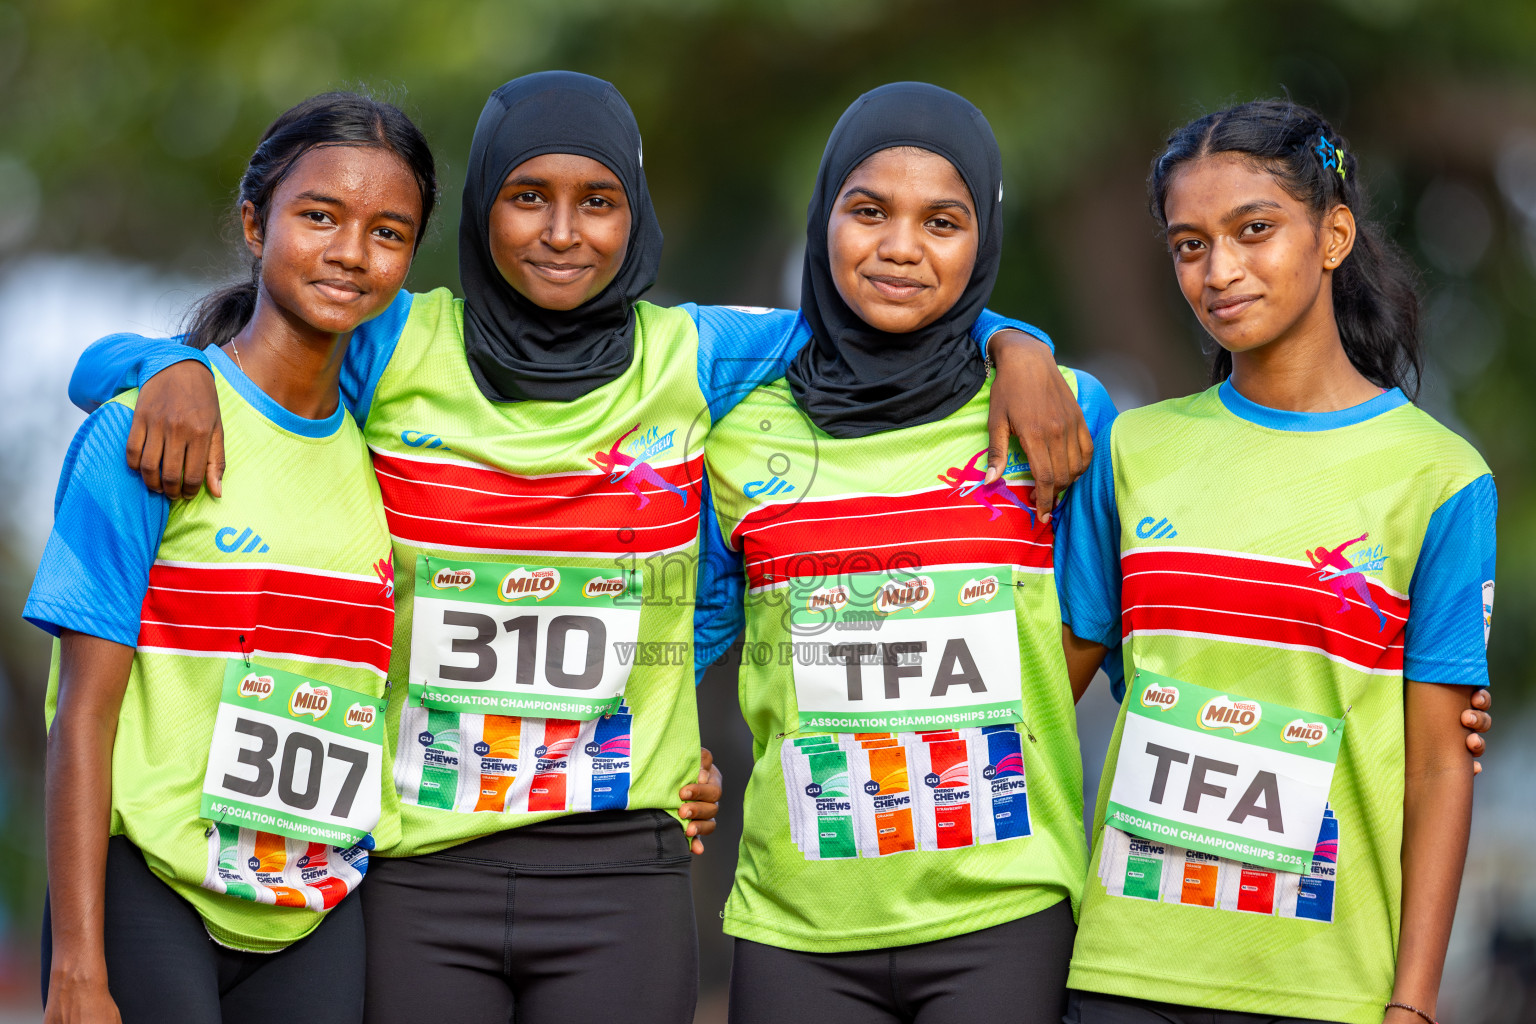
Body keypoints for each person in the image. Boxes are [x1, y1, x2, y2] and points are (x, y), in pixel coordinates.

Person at [65, 71, 1091, 1024]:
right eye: (526, 197)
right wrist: (164, 363)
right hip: (421, 872)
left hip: (622, 878)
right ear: (477, 212)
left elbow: (872, 300)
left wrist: (1019, 344)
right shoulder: (396, 345)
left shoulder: (696, 357)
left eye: (597, 200)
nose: (562, 233)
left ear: (634, 211)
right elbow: (259, 345)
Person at [1056, 100, 1495, 1024]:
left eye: (1254, 231)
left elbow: (1437, 769)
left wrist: (1412, 1005)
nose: (1220, 271)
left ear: (1333, 234)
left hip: (1325, 987)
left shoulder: (1442, 479)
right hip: (1124, 974)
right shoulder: (1134, 451)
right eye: (1188, 245)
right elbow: (1039, 696)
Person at [701, 82, 1115, 1024]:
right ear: (823, 217)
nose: (900, 248)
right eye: (868, 211)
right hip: (794, 923)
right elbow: (686, 631)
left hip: (1004, 910)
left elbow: (1106, 615)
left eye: (943, 221)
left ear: (984, 243)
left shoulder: (1059, 412)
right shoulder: (736, 430)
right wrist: (679, 755)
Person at [25, 92, 438, 1024]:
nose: (349, 252)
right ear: (255, 223)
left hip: (313, 906)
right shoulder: (148, 436)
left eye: (388, 231)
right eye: (318, 216)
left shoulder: (385, 450)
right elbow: (82, 715)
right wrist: (78, 967)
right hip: (147, 891)